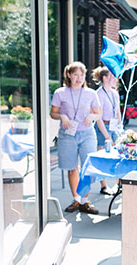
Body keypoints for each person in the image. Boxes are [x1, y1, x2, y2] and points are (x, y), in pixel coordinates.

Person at [50, 61, 102, 214]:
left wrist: (92, 116)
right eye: (75, 75)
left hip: (87, 134)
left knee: (86, 168)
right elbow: (52, 113)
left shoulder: (91, 94)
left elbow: (98, 113)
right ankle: (76, 200)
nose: (79, 78)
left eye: (81, 75)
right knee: (72, 169)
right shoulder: (60, 92)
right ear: (69, 75)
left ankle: (85, 201)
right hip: (67, 135)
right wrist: (62, 116)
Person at [92, 66, 121, 195]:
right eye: (112, 76)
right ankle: (104, 186)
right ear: (105, 78)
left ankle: (119, 184)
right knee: (103, 157)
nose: (116, 79)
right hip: (102, 127)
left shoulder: (114, 93)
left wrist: (119, 127)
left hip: (114, 127)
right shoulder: (99, 94)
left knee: (119, 154)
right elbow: (98, 118)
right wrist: (106, 136)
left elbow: (118, 112)